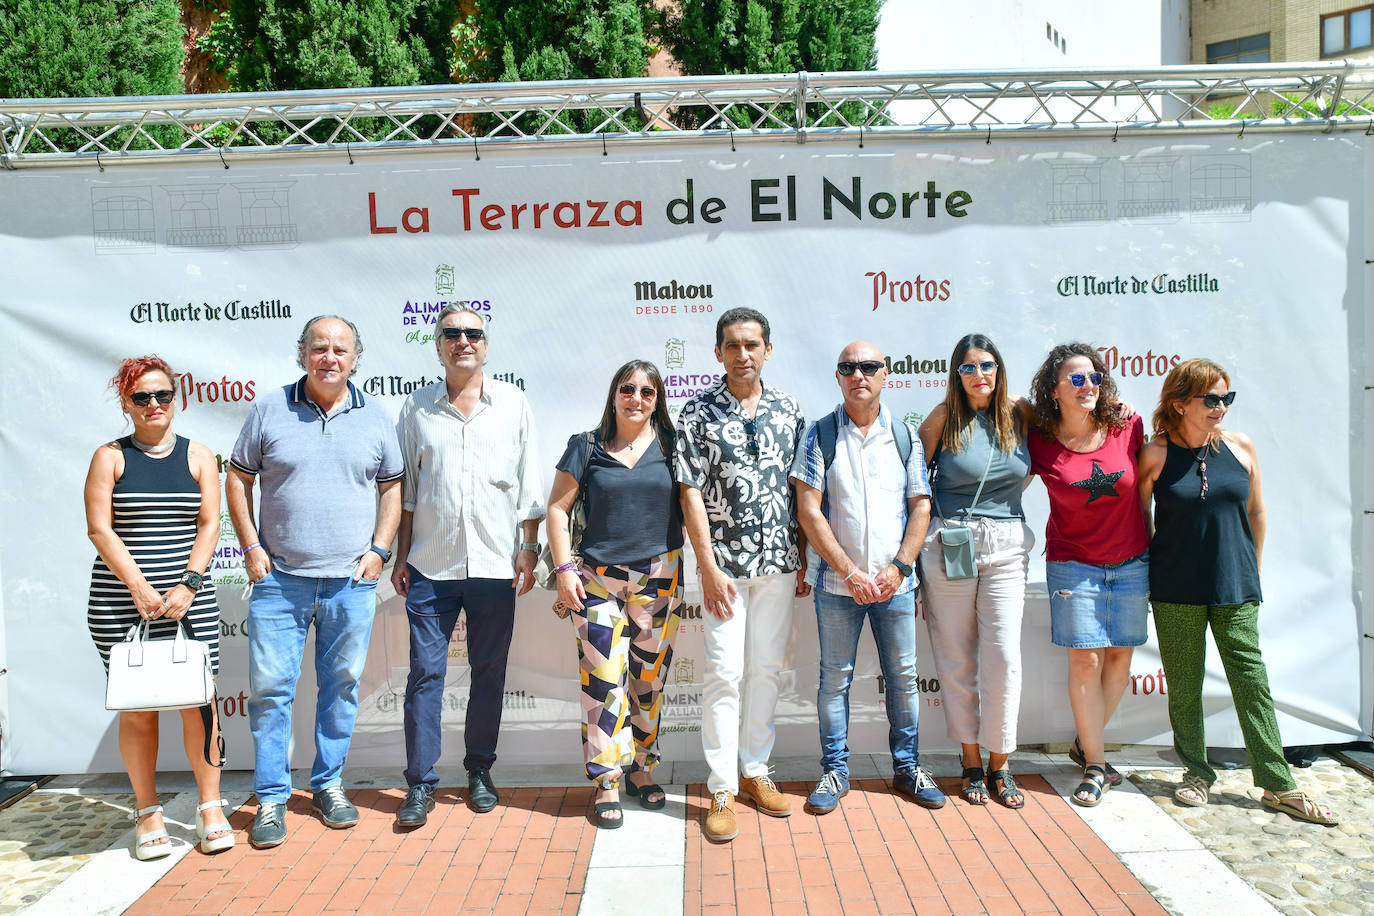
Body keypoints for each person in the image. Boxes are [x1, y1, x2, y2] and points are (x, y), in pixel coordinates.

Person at [226, 315, 404, 848]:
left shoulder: (375, 415)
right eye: (319, 347)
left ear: (355, 358)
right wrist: (252, 547)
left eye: (340, 349)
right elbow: (237, 478)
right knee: (272, 692)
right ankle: (273, 799)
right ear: (302, 353)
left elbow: (391, 488)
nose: (329, 357)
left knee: (341, 688)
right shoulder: (268, 409)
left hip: (351, 582)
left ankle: (328, 786)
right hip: (280, 581)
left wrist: (379, 551)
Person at [1138, 358, 1338, 825]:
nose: (1221, 407)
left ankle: (1278, 783)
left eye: (1227, 398)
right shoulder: (1155, 454)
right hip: (1175, 588)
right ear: (1179, 401)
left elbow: (1257, 514)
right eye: (1211, 399)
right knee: (1184, 685)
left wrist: (1254, 571)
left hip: (1236, 585)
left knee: (1252, 682)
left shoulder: (1241, 447)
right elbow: (1137, 521)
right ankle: (1196, 773)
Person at [391, 305, 545, 826]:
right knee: (425, 673)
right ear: (437, 345)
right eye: (451, 334)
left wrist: (529, 547)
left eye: (472, 334)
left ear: (486, 343)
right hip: (430, 565)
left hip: (495, 564)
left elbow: (528, 486)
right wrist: (400, 555)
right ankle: (420, 784)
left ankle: (479, 771)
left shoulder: (514, 404)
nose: (463, 341)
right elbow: (407, 491)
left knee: (489, 672)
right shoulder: (416, 408)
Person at [85, 356, 233, 858]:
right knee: (139, 707)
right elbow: (99, 529)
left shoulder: (199, 456)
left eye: (162, 395)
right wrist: (139, 589)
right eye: (141, 397)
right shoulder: (110, 456)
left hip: (189, 601)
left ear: (177, 398)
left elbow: (210, 524)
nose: (153, 405)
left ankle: (210, 806)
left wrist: (188, 585)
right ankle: (148, 812)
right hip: (121, 602)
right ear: (126, 403)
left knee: (202, 704)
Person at [790, 341, 947, 815]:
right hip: (838, 586)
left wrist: (899, 567)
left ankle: (907, 769)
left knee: (902, 678)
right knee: (834, 679)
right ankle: (835, 770)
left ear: (886, 375)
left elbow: (921, 504)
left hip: (895, 586)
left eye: (869, 367)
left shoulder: (903, 436)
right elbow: (808, 511)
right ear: (838, 376)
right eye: (849, 367)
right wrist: (850, 571)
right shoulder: (819, 434)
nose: (859, 374)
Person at [675, 308, 809, 843]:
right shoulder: (698, 412)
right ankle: (721, 786)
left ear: (768, 350)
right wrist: (706, 567)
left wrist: (800, 555)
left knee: (766, 670)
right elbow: (689, 491)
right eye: (732, 346)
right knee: (724, 673)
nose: (742, 354)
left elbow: (802, 489)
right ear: (718, 353)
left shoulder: (789, 410)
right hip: (723, 569)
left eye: (752, 345)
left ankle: (755, 771)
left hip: (778, 563)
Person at [546, 360, 685, 829]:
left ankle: (641, 771)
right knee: (604, 683)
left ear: (657, 399)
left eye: (648, 391)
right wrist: (565, 570)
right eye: (628, 389)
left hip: (659, 580)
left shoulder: (672, 445)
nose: (637, 398)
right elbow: (557, 510)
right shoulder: (585, 446)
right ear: (613, 395)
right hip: (597, 581)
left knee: (648, 682)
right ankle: (606, 779)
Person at [1027, 343, 1148, 807]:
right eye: (1076, 379)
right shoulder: (1040, 440)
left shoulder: (1127, 424)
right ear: (1054, 390)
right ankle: (1096, 765)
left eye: (1094, 376)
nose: (1089, 385)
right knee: (1085, 660)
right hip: (1072, 563)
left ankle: (1085, 743)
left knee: (1119, 658)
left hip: (1132, 561)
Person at [916, 334, 1033, 808]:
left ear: (999, 370)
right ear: (955, 374)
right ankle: (969, 760)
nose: (978, 375)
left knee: (1003, 655)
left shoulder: (1021, 415)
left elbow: (1075, 420)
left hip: (1006, 543)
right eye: (968, 367)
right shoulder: (943, 418)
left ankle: (1000, 761)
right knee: (956, 655)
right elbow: (914, 486)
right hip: (951, 542)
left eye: (987, 365)